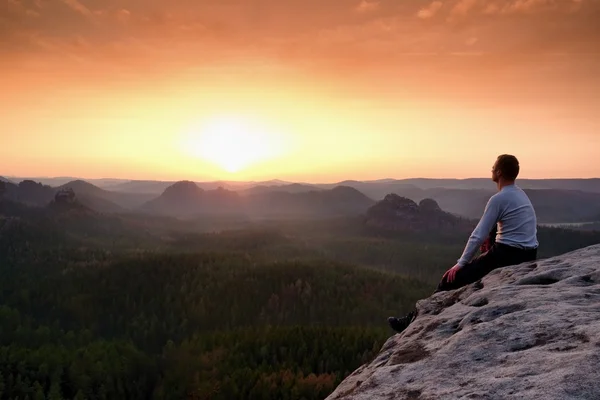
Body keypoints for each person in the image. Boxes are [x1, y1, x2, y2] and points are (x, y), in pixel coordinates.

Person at [388, 154, 539, 333]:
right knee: (486, 247)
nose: (491, 170)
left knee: (449, 280)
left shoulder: (498, 199)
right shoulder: (520, 194)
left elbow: (477, 235)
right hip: (529, 253)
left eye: (493, 167)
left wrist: (460, 264)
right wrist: (489, 244)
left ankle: (413, 321)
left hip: (508, 254)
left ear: (498, 172)